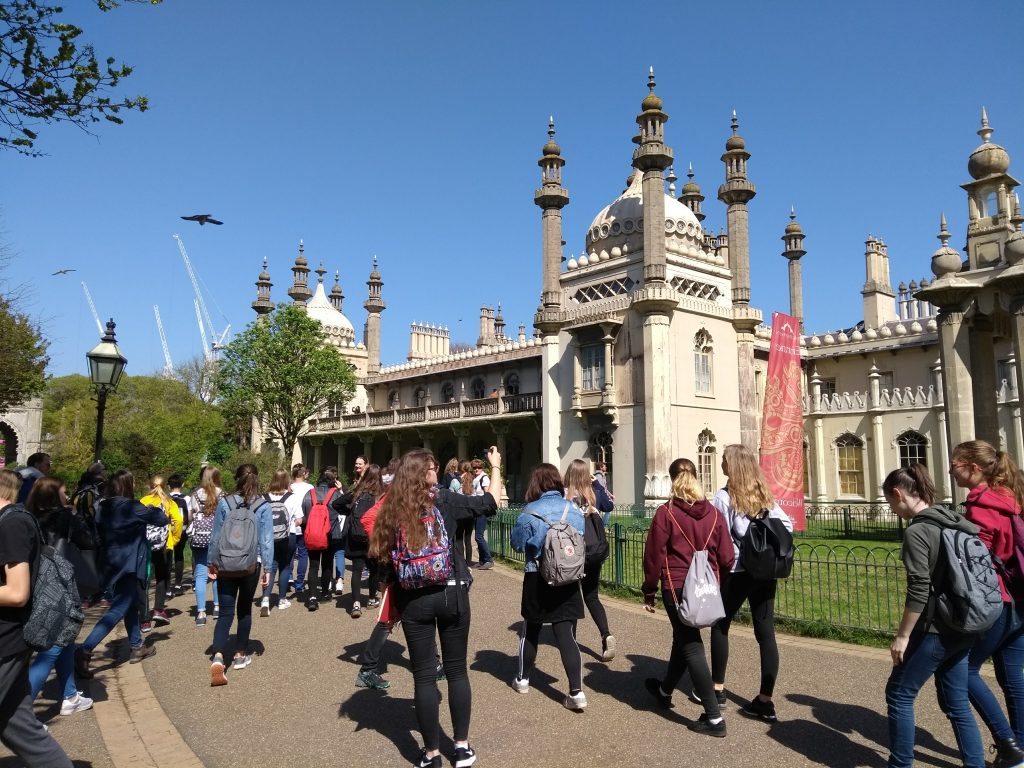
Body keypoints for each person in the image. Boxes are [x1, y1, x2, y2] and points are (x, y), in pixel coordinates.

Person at [369, 447, 500, 768]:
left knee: (424, 677)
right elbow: (490, 504)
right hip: (451, 591)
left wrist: (388, 594)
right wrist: (495, 468)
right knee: (456, 671)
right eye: (434, 468)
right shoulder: (445, 500)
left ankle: (430, 754)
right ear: (426, 474)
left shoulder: (392, 507)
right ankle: (461, 747)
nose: (437, 472)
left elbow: (383, 563)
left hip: (413, 598)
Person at [882, 463, 985, 768]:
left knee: (899, 694)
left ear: (899, 494)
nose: (893, 510)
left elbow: (919, 588)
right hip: (966, 620)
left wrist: (902, 636)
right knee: (956, 702)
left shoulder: (918, 531)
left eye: (890, 502)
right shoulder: (954, 519)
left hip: (936, 627)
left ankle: (900, 764)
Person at [641, 461, 734, 736]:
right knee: (682, 639)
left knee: (691, 645)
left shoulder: (666, 513)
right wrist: (718, 582)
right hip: (707, 586)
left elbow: (654, 556)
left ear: (672, 482)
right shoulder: (715, 514)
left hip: (677, 586)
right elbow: (728, 558)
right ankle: (664, 690)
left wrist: (649, 591)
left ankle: (714, 718)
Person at [951, 440, 1024, 766]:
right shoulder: (1011, 499)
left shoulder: (981, 506)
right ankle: (1019, 754)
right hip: (1018, 599)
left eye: (955, 463)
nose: (951, 468)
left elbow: (976, 563)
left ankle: (1007, 744)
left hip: (994, 602)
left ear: (973, 467)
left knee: (962, 671)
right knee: (1013, 680)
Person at [708, 443, 793, 722]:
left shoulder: (724, 496)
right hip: (765, 571)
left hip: (737, 570)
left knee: (721, 625)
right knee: (765, 634)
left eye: (723, 460)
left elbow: (719, 537)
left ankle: (717, 689)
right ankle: (765, 700)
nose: (720, 463)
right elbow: (787, 526)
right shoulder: (765, 495)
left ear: (732, 465)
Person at [0, 469, 74, 767]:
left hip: (6, 641)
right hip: (9, 641)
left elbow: (17, 592)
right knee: (17, 728)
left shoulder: (13, 524)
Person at [511, 463, 588, 711]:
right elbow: (581, 539)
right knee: (565, 634)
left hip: (537, 575)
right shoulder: (573, 509)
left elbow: (517, 544)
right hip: (567, 576)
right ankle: (576, 691)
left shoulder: (530, 511)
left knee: (530, 628)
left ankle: (523, 679)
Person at [75, 470, 165, 679]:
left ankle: (136, 646)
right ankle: (85, 649)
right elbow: (160, 519)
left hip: (110, 563)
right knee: (118, 609)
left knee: (130, 606)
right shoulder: (132, 507)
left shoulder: (103, 508)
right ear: (128, 486)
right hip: (130, 564)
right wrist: (151, 507)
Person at [24, 477, 94, 716]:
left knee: (65, 638)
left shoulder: (26, 515)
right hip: (60, 582)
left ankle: (70, 695)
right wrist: (76, 517)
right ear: (56, 496)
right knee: (54, 645)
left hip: (34, 581)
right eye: (64, 492)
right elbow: (89, 541)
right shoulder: (65, 518)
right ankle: (21, 712)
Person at [207, 464, 274, 686]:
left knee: (225, 612)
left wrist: (212, 562)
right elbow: (266, 539)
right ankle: (239, 654)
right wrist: (267, 568)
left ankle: (217, 656)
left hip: (226, 563)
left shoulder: (225, 502)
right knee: (244, 610)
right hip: (249, 565)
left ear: (236, 479)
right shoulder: (262, 506)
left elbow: (216, 535)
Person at [563, 458, 615, 661]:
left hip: (574, 551)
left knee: (571, 594)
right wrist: (595, 484)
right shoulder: (593, 494)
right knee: (592, 596)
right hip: (595, 552)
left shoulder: (566, 494)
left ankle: (570, 641)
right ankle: (606, 634)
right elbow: (609, 506)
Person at [299, 466, 346, 611]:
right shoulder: (335, 494)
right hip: (330, 534)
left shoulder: (310, 493)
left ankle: (312, 597)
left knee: (313, 565)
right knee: (327, 564)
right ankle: (325, 593)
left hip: (313, 533)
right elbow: (344, 509)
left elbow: (305, 514)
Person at [140, 475, 182, 626]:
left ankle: (144, 617)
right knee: (162, 578)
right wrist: (174, 539)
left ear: (149, 485)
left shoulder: (143, 502)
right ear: (165, 486)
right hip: (165, 545)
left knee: (144, 578)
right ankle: (159, 609)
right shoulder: (169, 502)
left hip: (144, 545)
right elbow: (178, 521)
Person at [259, 469, 303, 615]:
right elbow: (299, 519)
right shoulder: (292, 497)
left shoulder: (263, 497)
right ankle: (282, 599)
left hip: (267, 537)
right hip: (287, 536)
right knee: (285, 567)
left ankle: (265, 598)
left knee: (269, 566)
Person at [345, 464, 385, 618]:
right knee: (374, 569)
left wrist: (348, 512)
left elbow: (337, 504)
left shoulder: (357, 492)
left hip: (355, 534)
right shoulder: (380, 495)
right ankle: (371, 598)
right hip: (371, 536)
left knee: (357, 569)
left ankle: (355, 603)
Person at [190, 465, 223, 626]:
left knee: (201, 575)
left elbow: (190, 516)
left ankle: (201, 612)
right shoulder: (222, 495)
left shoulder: (195, 495)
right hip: (217, 539)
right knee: (217, 573)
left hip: (199, 539)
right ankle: (217, 606)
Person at [290, 463, 314, 596]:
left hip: (290, 525)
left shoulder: (289, 487)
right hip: (305, 523)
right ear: (304, 474)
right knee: (303, 554)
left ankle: (288, 578)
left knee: (290, 555)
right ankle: (299, 583)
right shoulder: (309, 488)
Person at [167, 474, 191, 596]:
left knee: (167, 556)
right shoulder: (186, 498)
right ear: (182, 484)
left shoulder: (165, 498)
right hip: (182, 530)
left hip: (168, 530)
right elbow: (190, 516)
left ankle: (166, 586)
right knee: (179, 555)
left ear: (168, 485)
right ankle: (178, 584)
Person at [470, 459, 493, 570]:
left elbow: (486, 494)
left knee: (479, 536)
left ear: (481, 468)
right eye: (474, 468)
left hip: (481, 510)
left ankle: (488, 559)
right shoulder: (476, 479)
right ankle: (482, 560)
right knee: (477, 536)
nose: (476, 470)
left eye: (478, 467)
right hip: (476, 508)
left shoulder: (484, 478)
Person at [452, 460, 475, 566]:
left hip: (459, 513)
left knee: (459, 538)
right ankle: (469, 561)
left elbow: (451, 496)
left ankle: (460, 561)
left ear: (460, 469)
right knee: (468, 539)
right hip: (470, 513)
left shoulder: (456, 481)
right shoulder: (473, 481)